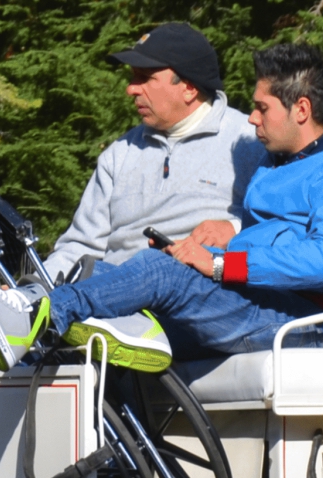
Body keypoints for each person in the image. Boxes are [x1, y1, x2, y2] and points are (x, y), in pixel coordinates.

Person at [0, 42, 323, 372]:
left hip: (304, 324)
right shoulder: (275, 162)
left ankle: (35, 318)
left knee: (160, 269)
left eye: (262, 108)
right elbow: (270, 233)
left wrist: (221, 265)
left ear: (301, 109)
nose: (252, 118)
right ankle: (24, 316)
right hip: (259, 305)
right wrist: (231, 231)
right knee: (109, 278)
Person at [41, 22, 265, 285]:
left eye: (144, 78)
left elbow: (290, 230)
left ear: (189, 88)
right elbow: (79, 247)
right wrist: (32, 288)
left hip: (194, 295)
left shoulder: (250, 141)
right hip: (106, 296)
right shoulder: (119, 154)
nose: (131, 88)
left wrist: (234, 229)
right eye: (132, 77)